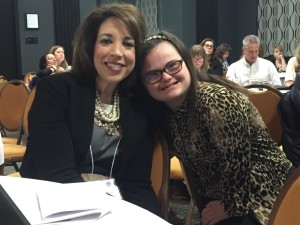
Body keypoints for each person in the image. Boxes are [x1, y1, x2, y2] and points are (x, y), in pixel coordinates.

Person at [20, 3, 162, 217]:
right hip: (50, 205)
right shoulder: (56, 90)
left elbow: (136, 183)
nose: (117, 52)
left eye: (128, 44)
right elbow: (57, 175)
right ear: (90, 46)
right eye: (106, 41)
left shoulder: (138, 103)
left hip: (112, 206)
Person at [137, 31, 292, 225]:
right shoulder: (165, 113)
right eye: (153, 73)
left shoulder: (216, 101)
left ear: (186, 63)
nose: (166, 77)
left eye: (172, 65)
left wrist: (228, 206)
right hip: (219, 194)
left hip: (264, 195)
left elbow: (237, 165)